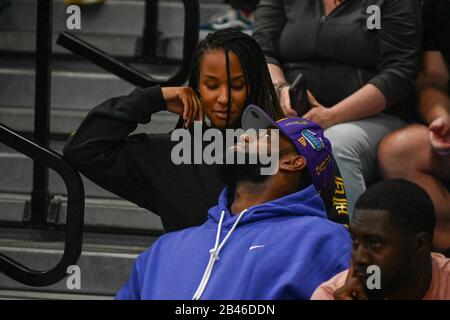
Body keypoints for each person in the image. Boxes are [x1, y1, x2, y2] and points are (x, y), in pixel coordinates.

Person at [63, 29, 349, 233]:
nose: (223, 99)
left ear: (256, 85)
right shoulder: (174, 153)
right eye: (212, 86)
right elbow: (84, 149)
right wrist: (154, 98)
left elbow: (337, 226)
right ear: (196, 86)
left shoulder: (292, 149)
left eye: (236, 86)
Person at [115, 106, 351, 300]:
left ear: (292, 162)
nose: (245, 136)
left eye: (264, 136)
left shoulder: (326, 242)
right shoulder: (164, 249)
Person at [252, 0, 422, 216]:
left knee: (334, 144)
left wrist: (332, 116)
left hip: (372, 116)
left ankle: (348, 243)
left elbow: (400, 71)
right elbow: (261, 50)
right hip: (292, 111)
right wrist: (280, 88)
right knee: (241, 139)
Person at [378, 0, 450, 252]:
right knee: (399, 151)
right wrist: (439, 114)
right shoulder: (438, 9)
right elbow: (433, 80)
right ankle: (442, 261)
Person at [311, 179, 450, 300]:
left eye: (375, 243)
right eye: (355, 241)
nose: (360, 258)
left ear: (419, 245)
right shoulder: (332, 294)